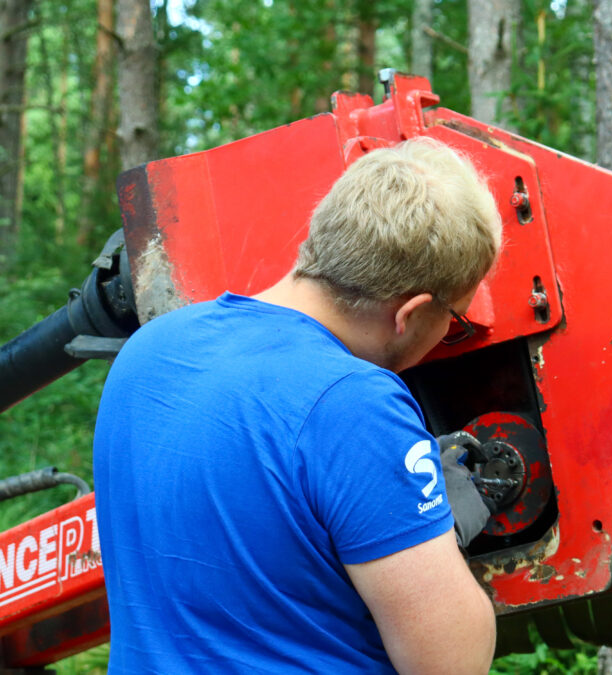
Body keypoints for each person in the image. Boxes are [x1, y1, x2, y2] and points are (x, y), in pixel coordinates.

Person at [94, 137, 502, 674]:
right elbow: (451, 663)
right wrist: (437, 533)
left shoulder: (148, 352)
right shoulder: (354, 405)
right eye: (456, 317)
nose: (451, 330)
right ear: (411, 313)